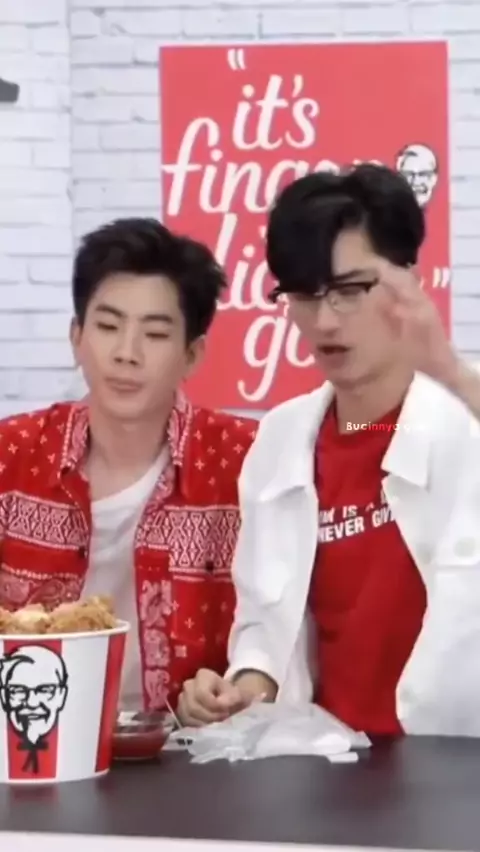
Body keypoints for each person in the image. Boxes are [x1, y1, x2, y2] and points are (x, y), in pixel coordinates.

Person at [178, 164, 480, 737]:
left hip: (453, 761)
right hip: (328, 762)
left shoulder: (466, 418)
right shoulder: (280, 440)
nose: (324, 320)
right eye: (304, 294)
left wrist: (448, 369)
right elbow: (266, 629)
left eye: (349, 291)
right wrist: (240, 691)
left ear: (409, 283)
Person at [0, 217, 257, 713]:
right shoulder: (11, 456)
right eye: (107, 327)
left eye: (155, 334)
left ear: (192, 354)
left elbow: (280, 633)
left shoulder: (245, 461)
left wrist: (233, 691)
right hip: (36, 733)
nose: (126, 354)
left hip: (191, 745)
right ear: (77, 337)